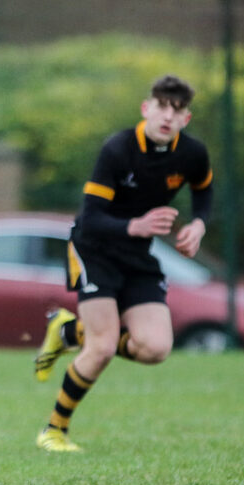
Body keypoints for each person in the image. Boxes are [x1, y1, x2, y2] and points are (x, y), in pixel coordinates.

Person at [32, 75, 213, 452]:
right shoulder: (119, 149)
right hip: (94, 248)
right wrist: (139, 225)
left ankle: (68, 333)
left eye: (176, 110)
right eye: (161, 106)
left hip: (136, 256)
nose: (168, 116)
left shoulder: (192, 154)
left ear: (186, 120)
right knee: (101, 347)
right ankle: (54, 431)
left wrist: (198, 224)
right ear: (146, 109)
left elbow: (204, 190)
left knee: (155, 349)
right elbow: (92, 216)